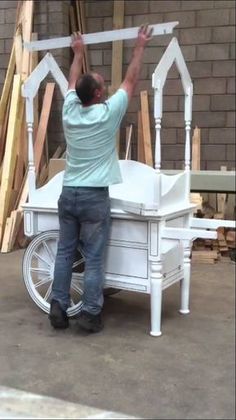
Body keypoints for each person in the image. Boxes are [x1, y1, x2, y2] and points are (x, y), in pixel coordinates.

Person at [49, 24, 153, 333]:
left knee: (65, 251)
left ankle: (58, 306)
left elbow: (71, 81)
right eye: (102, 84)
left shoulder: (69, 111)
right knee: (93, 257)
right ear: (97, 94)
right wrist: (140, 46)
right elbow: (131, 80)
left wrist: (77, 53)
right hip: (94, 197)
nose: (107, 86)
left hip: (68, 194)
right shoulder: (108, 114)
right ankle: (90, 314)